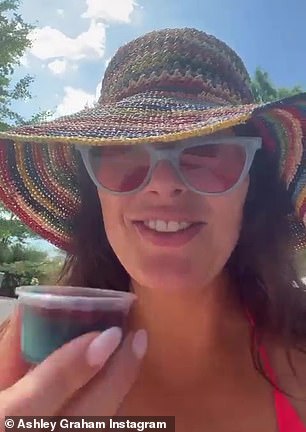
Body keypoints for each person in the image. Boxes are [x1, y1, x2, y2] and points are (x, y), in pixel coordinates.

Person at [0, 27, 305, 431]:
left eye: (207, 150)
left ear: (250, 188)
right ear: (97, 194)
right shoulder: (17, 364)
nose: (163, 182)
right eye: (125, 152)